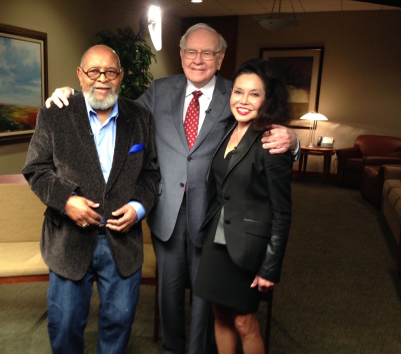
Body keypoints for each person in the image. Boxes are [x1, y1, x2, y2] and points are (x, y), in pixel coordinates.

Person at [45, 23, 298, 354]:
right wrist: (73, 96)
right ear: (180, 56)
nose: (198, 59)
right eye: (191, 51)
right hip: (166, 214)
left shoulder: (235, 93)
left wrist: (293, 142)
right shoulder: (159, 90)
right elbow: (116, 107)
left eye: (207, 53)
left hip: (212, 217)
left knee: (210, 301)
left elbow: (264, 134)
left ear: (220, 58)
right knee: (169, 295)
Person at [22, 44, 160, 354]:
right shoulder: (55, 112)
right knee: (66, 323)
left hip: (122, 243)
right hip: (68, 240)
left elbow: (151, 174)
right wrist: (66, 200)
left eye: (110, 71)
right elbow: (36, 169)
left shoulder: (140, 117)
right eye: (93, 71)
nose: (102, 79)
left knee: (120, 321)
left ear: (120, 76)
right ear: (80, 75)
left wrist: (138, 209)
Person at [193, 58, 292, 354]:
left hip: (247, 249)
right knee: (219, 314)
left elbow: (282, 213)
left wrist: (270, 268)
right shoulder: (229, 130)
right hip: (217, 242)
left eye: (254, 93)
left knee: (244, 322)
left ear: (267, 99)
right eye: (238, 92)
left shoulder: (271, 141)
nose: (244, 100)